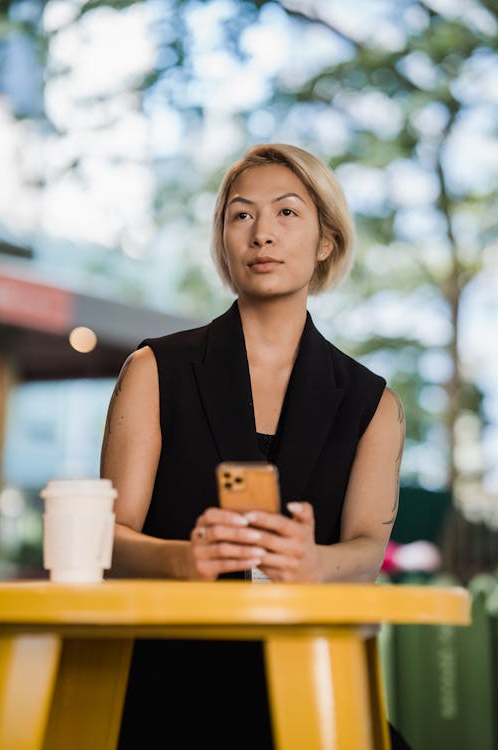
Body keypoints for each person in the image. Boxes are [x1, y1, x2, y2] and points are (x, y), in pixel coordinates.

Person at [100, 143, 409, 749]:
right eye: (241, 215)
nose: (262, 233)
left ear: (326, 240)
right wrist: (181, 560)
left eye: (288, 213)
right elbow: (105, 541)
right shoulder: (155, 369)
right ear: (224, 239)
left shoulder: (375, 403)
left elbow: (368, 551)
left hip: (312, 677)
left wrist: (315, 564)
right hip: (168, 680)